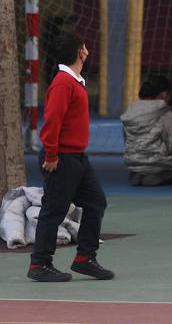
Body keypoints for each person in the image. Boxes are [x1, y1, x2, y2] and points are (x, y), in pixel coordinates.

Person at [28, 33, 114, 282]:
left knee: (96, 202)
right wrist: (52, 155)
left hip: (77, 157)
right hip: (62, 157)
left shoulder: (74, 81)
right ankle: (39, 264)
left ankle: (85, 258)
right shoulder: (63, 83)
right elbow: (52, 122)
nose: (88, 50)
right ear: (81, 53)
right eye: (85, 47)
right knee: (54, 210)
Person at [121, 80, 172, 186]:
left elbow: (127, 142)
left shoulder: (128, 113)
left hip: (134, 162)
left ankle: (140, 173)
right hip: (159, 164)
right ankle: (158, 175)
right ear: (164, 94)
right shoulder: (165, 113)